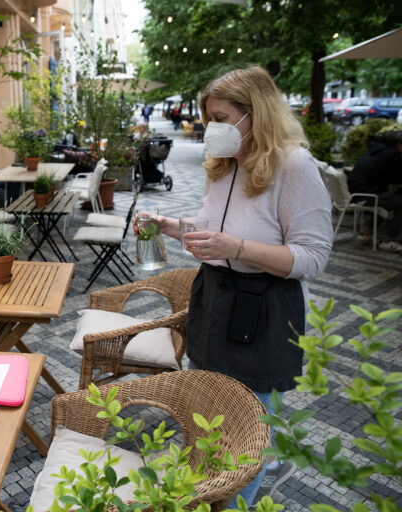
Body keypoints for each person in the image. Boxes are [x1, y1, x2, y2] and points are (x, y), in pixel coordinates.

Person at [136, 66, 333, 506]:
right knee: (209, 420)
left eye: (222, 119)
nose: (213, 130)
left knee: (247, 434)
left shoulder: (294, 166)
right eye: (209, 119)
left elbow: (313, 258)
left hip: (263, 310)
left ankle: (246, 490)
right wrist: (169, 225)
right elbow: (215, 235)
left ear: (254, 114)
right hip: (214, 300)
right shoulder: (222, 166)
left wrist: (238, 247)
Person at [346, 130, 402, 251]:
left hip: (356, 194)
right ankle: (388, 240)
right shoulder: (392, 154)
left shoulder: (374, 151)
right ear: (398, 144)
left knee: (389, 199)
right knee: (398, 202)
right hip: (367, 196)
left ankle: (366, 233)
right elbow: (398, 177)